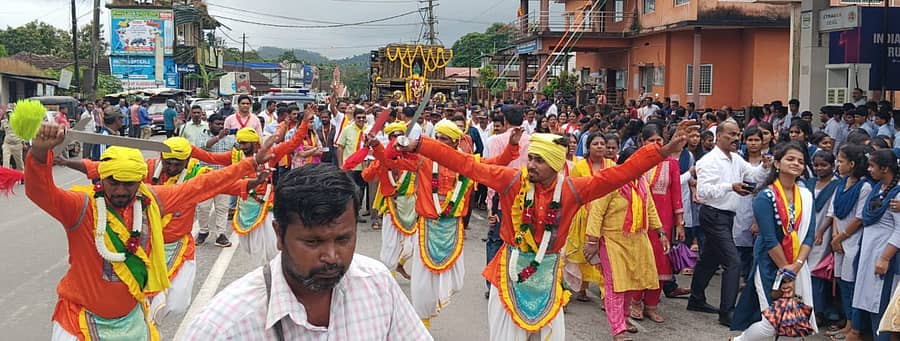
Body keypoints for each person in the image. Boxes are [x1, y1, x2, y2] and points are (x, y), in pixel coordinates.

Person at [395, 120, 697, 340]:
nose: (531, 165)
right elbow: (466, 164)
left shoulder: (573, 190)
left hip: (548, 274)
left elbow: (619, 174)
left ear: (555, 164)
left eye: (539, 160)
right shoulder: (511, 180)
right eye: (530, 158)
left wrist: (664, 151)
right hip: (508, 269)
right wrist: (420, 145)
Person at [25, 121, 268, 341]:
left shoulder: (151, 199)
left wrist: (251, 163)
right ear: (102, 178)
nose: (121, 191)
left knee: (177, 301)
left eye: (129, 184)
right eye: (113, 182)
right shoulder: (81, 206)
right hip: (80, 321)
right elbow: (40, 192)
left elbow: (203, 185)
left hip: (133, 321)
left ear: (140, 181)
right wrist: (38, 153)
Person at [182, 163, 432, 340]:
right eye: (313, 242)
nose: (331, 256)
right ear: (279, 234)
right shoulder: (223, 328)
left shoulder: (377, 285)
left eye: (343, 239)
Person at [371, 119, 521, 328]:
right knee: (423, 283)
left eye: (444, 139)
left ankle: (434, 304)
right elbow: (390, 162)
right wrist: (378, 146)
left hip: (452, 227)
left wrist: (512, 145)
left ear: (455, 142)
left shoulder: (468, 163)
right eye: (437, 138)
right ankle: (422, 323)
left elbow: (497, 163)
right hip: (428, 225)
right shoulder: (422, 160)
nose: (439, 142)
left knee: (457, 282)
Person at [191, 111, 315, 267]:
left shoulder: (270, 155)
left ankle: (272, 273)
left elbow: (293, 142)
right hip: (245, 208)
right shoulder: (236, 156)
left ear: (255, 143)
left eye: (245, 143)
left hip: (266, 208)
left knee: (270, 249)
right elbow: (210, 157)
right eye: (240, 143)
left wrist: (304, 122)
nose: (241, 146)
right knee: (251, 248)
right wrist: (190, 150)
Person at [732, 143, 818, 340]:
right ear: (777, 163)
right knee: (771, 322)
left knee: (793, 321)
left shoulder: (806, 196)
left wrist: (796, 267)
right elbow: (770, 240)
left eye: (800, 161)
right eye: (790, 159)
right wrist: (787, 273)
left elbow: (809, 235)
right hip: (770, 265)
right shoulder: (765, 196)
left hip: (797, 264)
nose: (796, 163)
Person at [689, 120, 770, 327]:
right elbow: (703, 192)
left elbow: (753, 175)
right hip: (713, 215)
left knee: (710, 259)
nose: (736, 138)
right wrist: (730, 187)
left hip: (726, 216)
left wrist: (764, 166)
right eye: (731, 134)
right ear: (719, 136)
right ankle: (727, 312)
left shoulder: (736, 158)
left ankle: (696, 298)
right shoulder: (708, 161)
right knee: (733, 262)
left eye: (737, 134)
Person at [583, 146, 665, 341]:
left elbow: (649, 207)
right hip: (613, 241)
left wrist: (660, 232)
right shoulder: (611, 180)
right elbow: (597, 211)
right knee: (615, 286)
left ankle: (624, 319)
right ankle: (618, 329)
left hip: (637, 239)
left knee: (629, 284)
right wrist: (592, 241)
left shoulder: (642, 181)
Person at [850, 149, 900, 341]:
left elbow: (899, 230)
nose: (869, 169)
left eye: (872, 166)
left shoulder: (896, 195)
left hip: (884, 253)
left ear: (885, 168)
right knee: (870, 302)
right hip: (870, 252)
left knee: (881, 303)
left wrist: (885, 258)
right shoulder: (878, 188)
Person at [361, 122, 416, 280]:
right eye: (393, 136)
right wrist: (378, 164)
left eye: (400, 136)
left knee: (412, 246)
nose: (397, 139)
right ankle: (388, 278)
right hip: (391, 206)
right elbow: (366, 176)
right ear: (389, 138)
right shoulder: (382, 158)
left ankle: (399, 264)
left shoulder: (412, 158)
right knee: (390, 245)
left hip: (411, 207)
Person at [563, 132, 612, 302]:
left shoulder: (612, 165)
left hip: (606, 217)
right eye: (595, 144)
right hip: (583, 215)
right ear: (588, 147)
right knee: (583, 254)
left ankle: (606, 294)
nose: (599, 146)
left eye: (602, 144)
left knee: (605, 256)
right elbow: (572, 190)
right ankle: (582, 288)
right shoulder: (580, 167)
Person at [805, 150, 839, 327]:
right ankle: (805, 307)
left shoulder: (836, 185)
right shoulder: (809, 183)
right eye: (816, 165)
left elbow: (831, 213)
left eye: (824, 165)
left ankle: (817, 311)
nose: (819, 168)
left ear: (833, 166)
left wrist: (821, 231)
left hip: (823, 233)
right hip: (806, 229)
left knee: (816, 270)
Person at [195, 114, 236, 247]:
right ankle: (203, 231)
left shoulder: (230, 138)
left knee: (222, 208)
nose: (220, 126)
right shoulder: (202, 136)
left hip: (223, 179)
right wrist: (218, 137)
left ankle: (221, 234)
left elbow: (240, 151)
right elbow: (205, 147)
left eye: (222, 124)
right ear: (210, 124)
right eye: (217, 124)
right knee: (203, 207)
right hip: (206, 179)